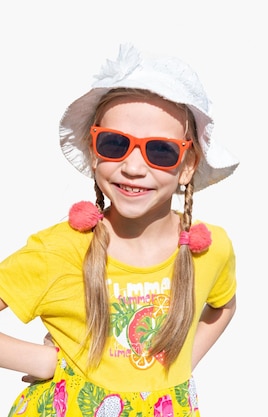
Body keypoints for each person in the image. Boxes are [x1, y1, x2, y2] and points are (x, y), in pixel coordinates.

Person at [0, 43, 239, 417]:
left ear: (189, 165)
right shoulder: (60, 250)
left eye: (160, 151)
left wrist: (180, 365)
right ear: (95, 153)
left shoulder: (209, 250)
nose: (133, 167)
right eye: (115, 145)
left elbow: (224, 304)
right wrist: (42, 361)